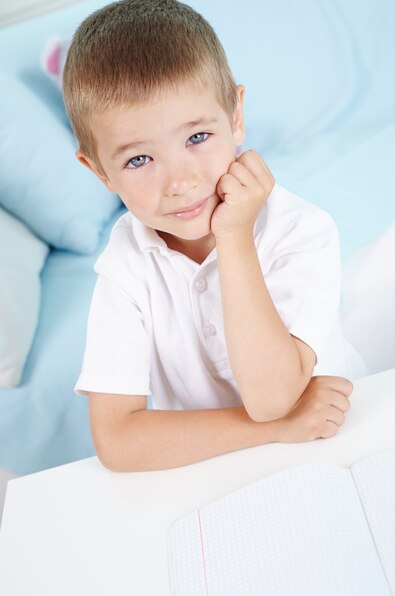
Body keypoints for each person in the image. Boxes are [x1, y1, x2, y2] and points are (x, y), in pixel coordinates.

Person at [63, 0, 362, 472]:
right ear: (99, 172)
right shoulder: (126, 263)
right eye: (139, 160)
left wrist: (235, 237)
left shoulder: (302, 230)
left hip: (334, 444)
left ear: (236, 117)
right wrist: (275, 430)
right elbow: (118, 440)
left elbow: (272, 397)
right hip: (218, 465)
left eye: (197, 137)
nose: (180, 182)